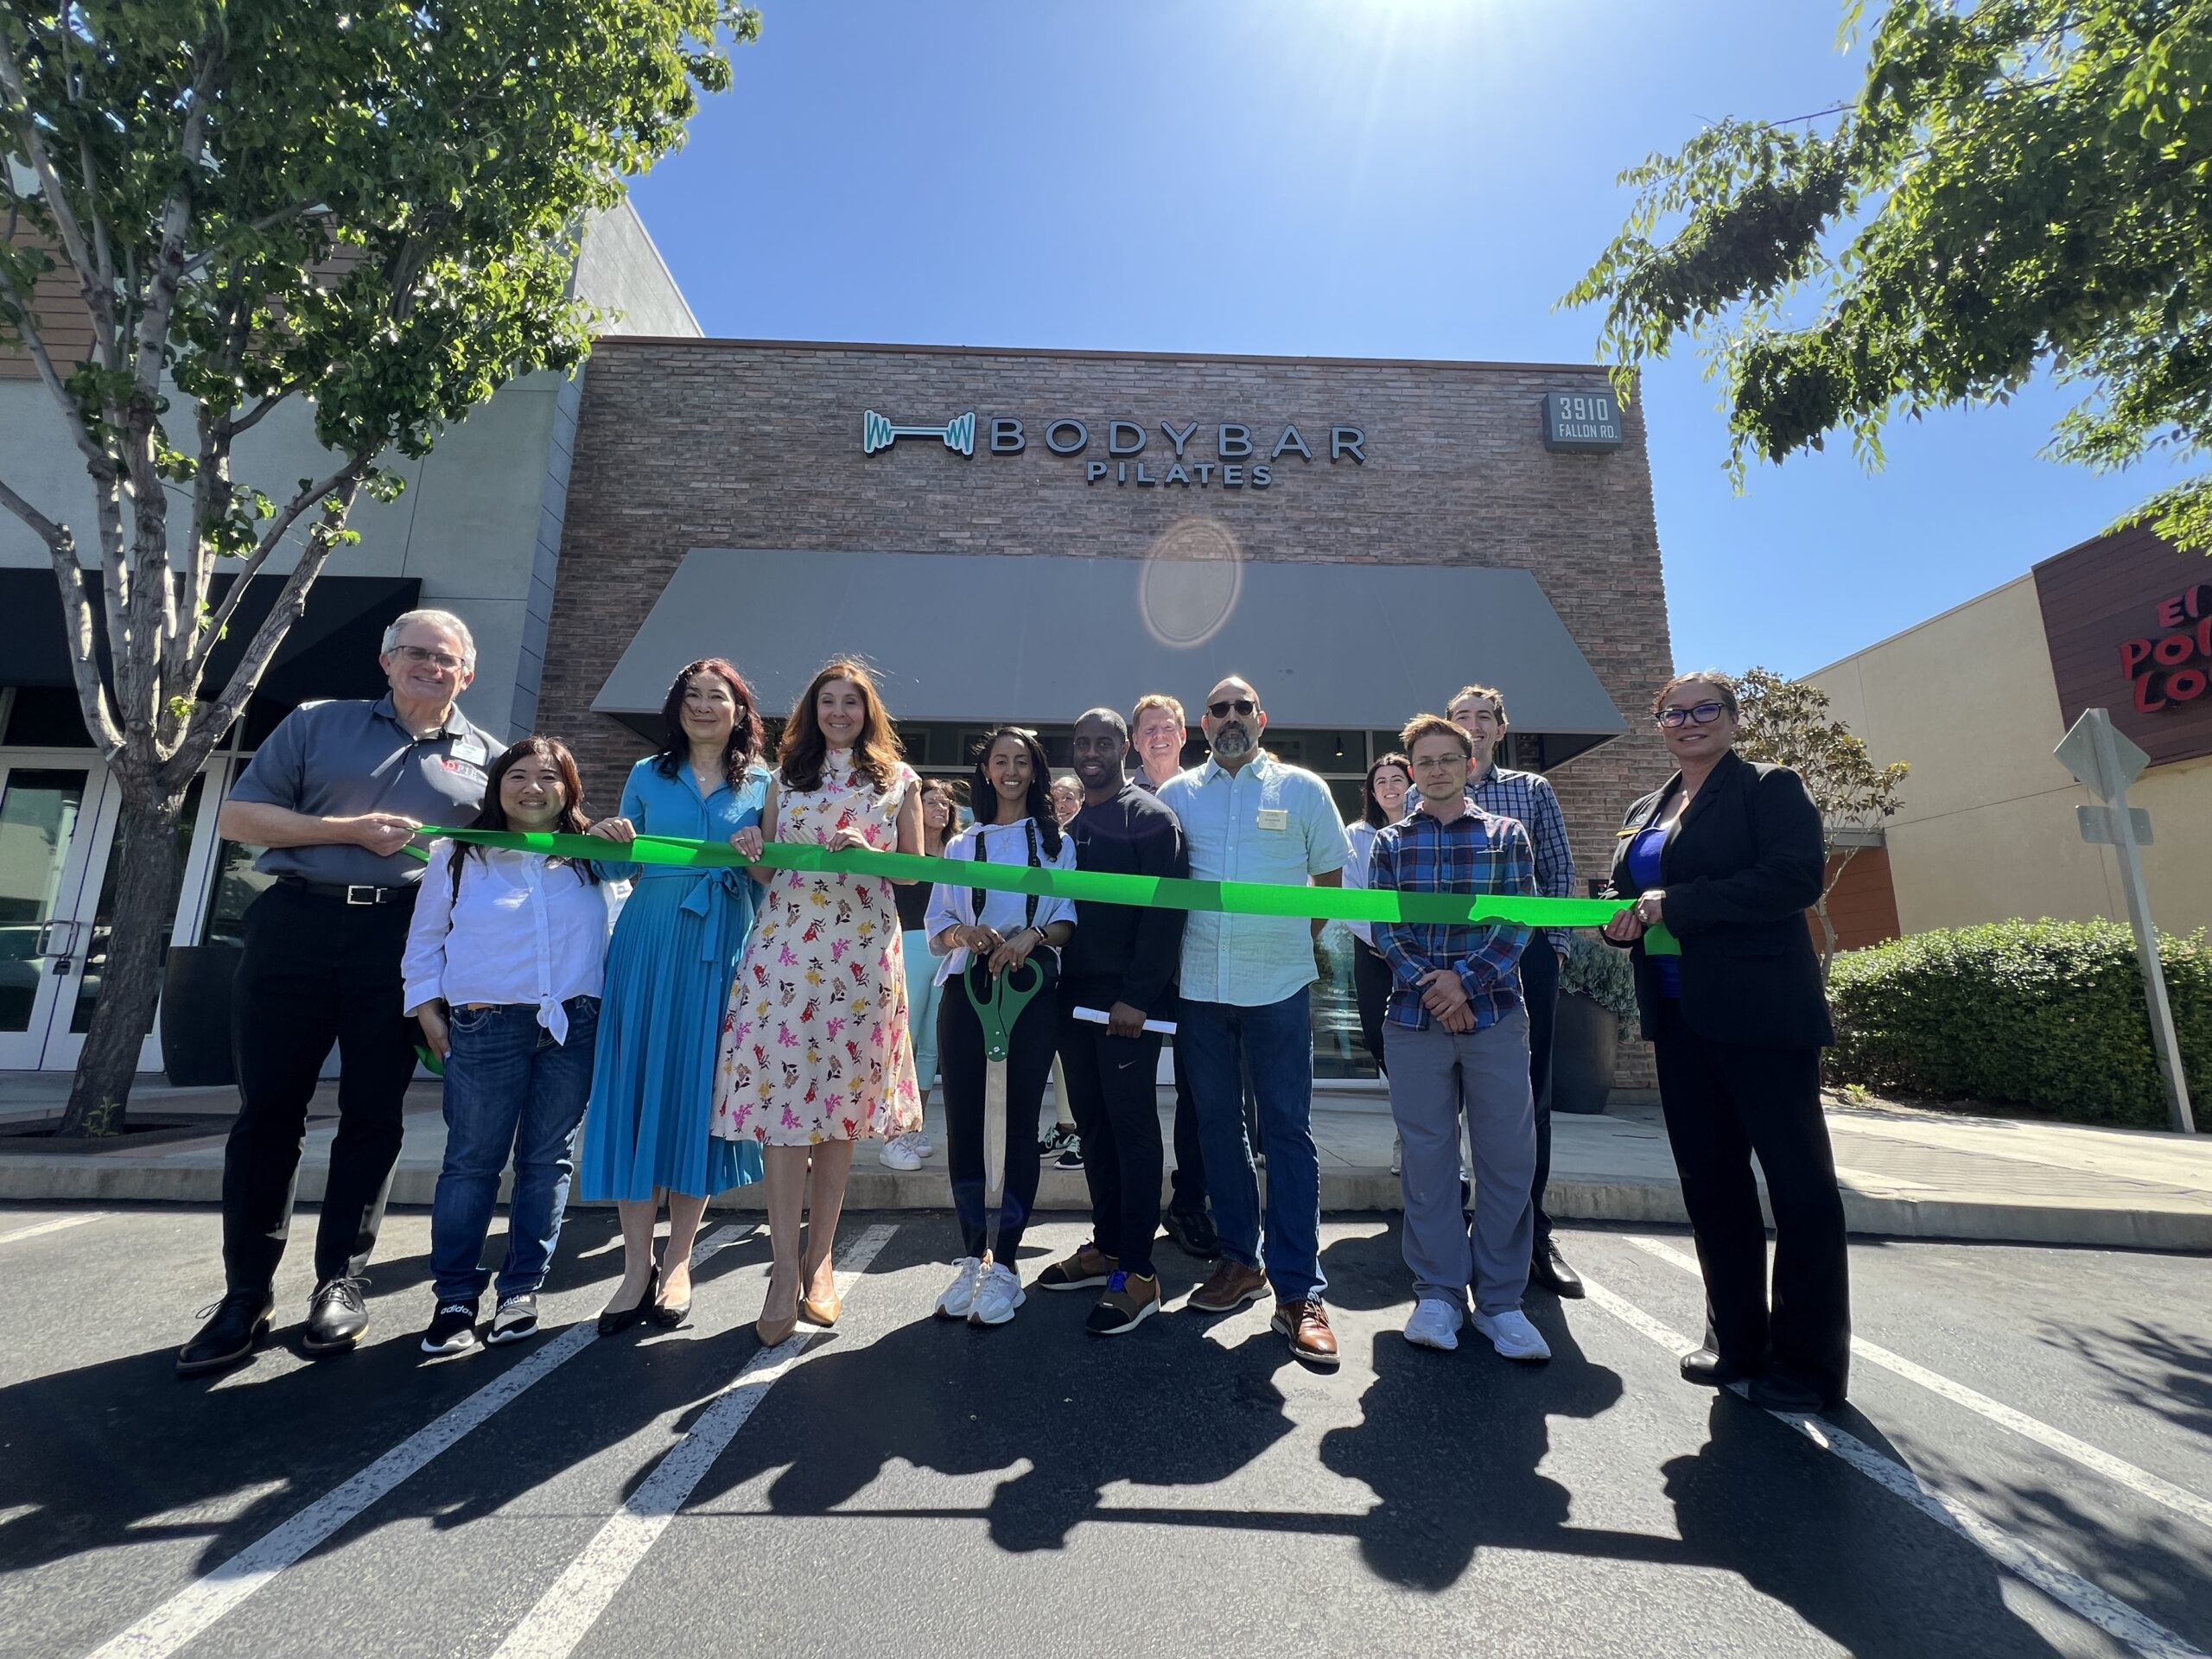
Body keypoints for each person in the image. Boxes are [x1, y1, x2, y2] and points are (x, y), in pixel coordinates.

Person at [179, 609, 494, 1377]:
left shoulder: (487, 756)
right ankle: (245, 1294)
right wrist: (350, 830)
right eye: (414, 653)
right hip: (296, 926)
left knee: (373, 1114)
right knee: (269, 1114)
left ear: (468, 673)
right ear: (386, 661)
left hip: (401, 944)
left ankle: (340, 1282)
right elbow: (237, 818)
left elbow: (512, 851)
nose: (429, 666)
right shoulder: (318, 724)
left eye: (445, 658)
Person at [1601, 671, 1850, 1414]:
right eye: (1673, 713)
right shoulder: (1648, 806)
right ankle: (1734, 1339)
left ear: (1734, 720)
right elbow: (1628, 896)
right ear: (1658, 725)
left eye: (1705, 710)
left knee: (1800, 1189)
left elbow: (1792, 878)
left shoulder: (1771, 786)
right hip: (1681, 1020)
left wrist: (1675, 904)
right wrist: (1617, 919)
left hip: (1764, 1019)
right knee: (1713, 1186)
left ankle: (1807, 1365)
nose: (1688, 722)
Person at [713, 660, 924, 1345]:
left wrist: (870, 848)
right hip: (784, 958)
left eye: (851, 703)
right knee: (783, 1115)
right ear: (812, 710)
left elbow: (916, 871)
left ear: (869, 711)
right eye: (827, 702)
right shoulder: (783, 779)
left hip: (861, 960)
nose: (839, 713)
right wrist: (751, 846)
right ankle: (781, 1269)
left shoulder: (899, 781)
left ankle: (821, 1259)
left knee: (840, 1113)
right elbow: (769, 868)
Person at [1160, 675, 1349, 1366]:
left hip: (1277, 986)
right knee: (1216, 1127)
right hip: (1201, 986)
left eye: (1244, 707)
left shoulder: (1303, 789)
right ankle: (1242, 1261)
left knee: (1288, 1129)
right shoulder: (1176, 795)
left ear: (1262, 718)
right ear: (1203, 725)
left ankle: (1300, 1291)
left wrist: (1292, 942)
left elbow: (1329, 880)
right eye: (1219, 709)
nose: (1232, 717)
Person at [403, 736, 612, 1356]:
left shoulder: (588, 858)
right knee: (472, 1161)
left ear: (569, 790)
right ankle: (456, 1298)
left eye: (548, 777)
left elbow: (617, 930)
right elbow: (426, 937)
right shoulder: (461, 854)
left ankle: (520, 1288)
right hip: (485, 1024)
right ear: (497, 786)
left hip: (572, 1026)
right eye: (517, 775)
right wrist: (426, 1007)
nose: (531, 788)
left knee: (547, 1161)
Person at [582, 659, 770, 1335]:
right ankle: (635, 1268)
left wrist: (756, 854)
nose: (702, 706)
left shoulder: (765, 784)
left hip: (723, 945)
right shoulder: (644, 775)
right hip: (649, 937)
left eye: (716, 696)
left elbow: (771, 880)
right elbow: (613, 869)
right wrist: (608, 838)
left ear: (739, 709)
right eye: (690, 695)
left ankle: (681, 1261)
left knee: (698, 1095)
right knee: (637, 1093)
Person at [1370, 715, 1549, 1363]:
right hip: (1413, 1019)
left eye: (1449, 759)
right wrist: (1432, 985)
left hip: (1495, 1014)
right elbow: (1386, 929)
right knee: (1429, 1162)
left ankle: (1500, 1302)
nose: (1437, 770)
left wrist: (1465, 984)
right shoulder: (1390, 843)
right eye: (1425, 761)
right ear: (1410, 769)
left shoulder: (1507, 836)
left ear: (1470, 764)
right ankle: (1440, 1293)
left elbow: (1518, 919)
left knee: (1506, 1160)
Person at [923, 727, 1078, 1327]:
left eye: (1022, 762)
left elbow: (1068, 919)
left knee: (1017, 1123)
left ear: (1035, 772)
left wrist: (1030, 936)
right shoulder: (963, 845)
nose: (1010, 771)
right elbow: (939, 926)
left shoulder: (1057, 844)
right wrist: (968, 934)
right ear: (985, 771)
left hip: (1032, 990)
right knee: (964, 1122)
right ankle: (970, 1255)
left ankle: (1007, 1265)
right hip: (966, 990)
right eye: (999, 761)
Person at [1040, 709, 1187, 1335]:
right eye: (1083, 742)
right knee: (1093, 1127)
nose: (1092, 751)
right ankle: (1106, 1247)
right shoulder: (1076, 827)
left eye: (1104, 741)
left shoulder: (1151, 818)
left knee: (1130, 1129)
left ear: (1125, 747)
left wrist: (1138, 997)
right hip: (1075, 1001)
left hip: (1127, 1008)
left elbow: (1166, 915)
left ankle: (1140, 1272)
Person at [1448, 683, 1585, 1300]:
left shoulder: (1531, 791)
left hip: (1521, 959)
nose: (1472, 727)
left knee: (1529, 1099)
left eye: (1483, 718)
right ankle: (1450, 1235)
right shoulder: (1435, 789)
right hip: (1444, 963)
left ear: (1500, 730)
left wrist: (1551, 945)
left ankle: (1530, 1235)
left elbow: (1558, 872)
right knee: (1445, 1097)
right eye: (1461, 719)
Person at [1128, 691, 1219, 1261]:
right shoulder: (1115, 797)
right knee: (1131, 1091)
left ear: (1185, 735)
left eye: (1168, 726)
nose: (1159, 735)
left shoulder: (1205, 796)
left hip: (1199, 965)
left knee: (1199, 1091)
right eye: (1149, 728)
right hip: (1135, 969)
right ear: (1135, 739)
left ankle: (1189, 1204)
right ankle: (1129, 1208)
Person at [880, 777, 956, 1172]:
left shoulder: (957, 850)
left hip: (946, 952)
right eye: (931, 801)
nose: (940, 809)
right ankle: (892, 1135)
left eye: (945, 803)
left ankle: (915, 1127)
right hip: (910, 944)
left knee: (930, 1045)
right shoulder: (904, 845)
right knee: (904, 1042)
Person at [1342, 753, 1412, 1080]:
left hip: (1425, 952)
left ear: (1411, 783)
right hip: (1374, 954)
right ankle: (1409, 1120)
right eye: (1380, 782)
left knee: (1427, 1040)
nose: (1389, 787)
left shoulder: (1430, 830)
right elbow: (1348, 897)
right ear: (1371, 792)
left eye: (1397, 779)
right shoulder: (1355, 835)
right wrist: (1387, 942)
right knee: (1378, 1035)